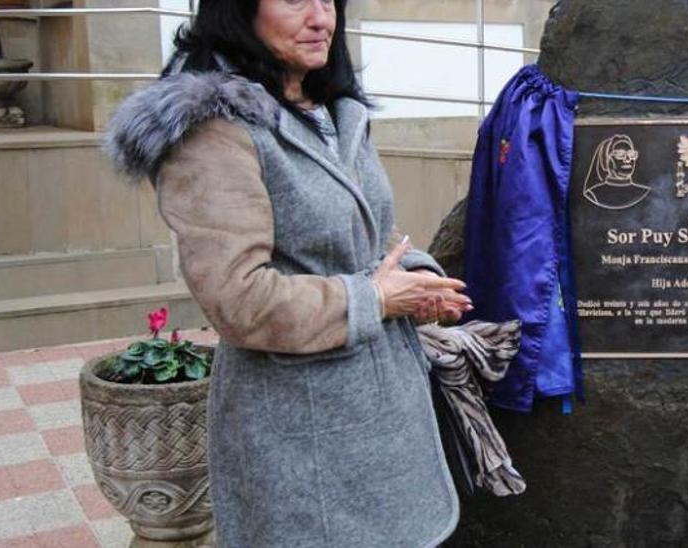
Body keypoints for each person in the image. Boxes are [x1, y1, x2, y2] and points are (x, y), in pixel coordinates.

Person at [103, 0, 472, 545]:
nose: (322, 18)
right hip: (302, 433)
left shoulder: (332, 109)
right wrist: (374, 298)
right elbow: (239, 299)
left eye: (330, 0)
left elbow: (365, 237)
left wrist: (417, 282)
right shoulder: (213, 132)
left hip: (387, 416)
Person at [582, 134, 651, 209]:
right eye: (620, 154)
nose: (627, 159)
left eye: (632, 155)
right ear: (606, 160)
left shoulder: (643, 192)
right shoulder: (594, 194)